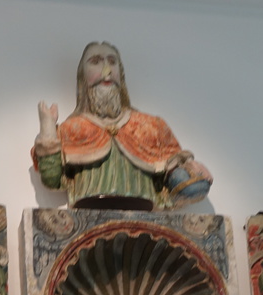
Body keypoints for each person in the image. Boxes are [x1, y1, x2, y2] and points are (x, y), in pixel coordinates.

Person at [32, 41, 211, 211]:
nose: (107, 70)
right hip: (87, 213)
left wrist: (190, 170)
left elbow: (176, 175)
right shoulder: (71, 129)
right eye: (95, 62)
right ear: (83, 77)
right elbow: (51, 180)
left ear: (121, 74)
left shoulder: (151, 126)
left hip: (143, 216)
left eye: (112, 62)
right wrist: (48, 129)